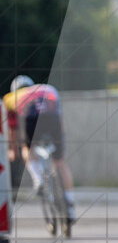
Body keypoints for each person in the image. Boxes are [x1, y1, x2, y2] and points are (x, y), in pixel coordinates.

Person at [5, 76, 76, 221]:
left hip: (31, 121)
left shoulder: (11, 98)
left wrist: (13, 150)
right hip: (53, 121)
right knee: (60, 163)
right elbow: (59, 117)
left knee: (28, 149)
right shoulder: (47, 88)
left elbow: (13, 129)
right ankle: (70, 204)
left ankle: (38, 180)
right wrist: (61, 140)